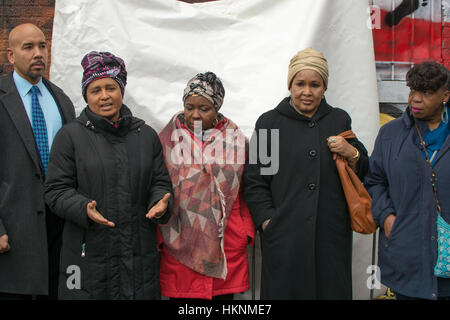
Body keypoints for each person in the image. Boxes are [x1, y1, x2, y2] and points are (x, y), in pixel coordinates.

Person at [44, 51, 173, 299]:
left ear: (121, 90)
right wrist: (83, 208)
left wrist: (159, 202)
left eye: (110, 88)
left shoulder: (145, 136)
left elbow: (159, 182)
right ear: (86, 95)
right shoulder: (70, 136)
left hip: (138, 255)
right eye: (95, 90)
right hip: (87, 253)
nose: (104, 96)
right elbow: (55, 190)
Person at [243, 47, 369, 299]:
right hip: (285, 239)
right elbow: (256, 182)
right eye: (300, 84)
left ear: (325, 87)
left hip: (330, 238)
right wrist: (269, 222)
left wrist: (351, 153)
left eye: (315, 85)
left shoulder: (339, 120)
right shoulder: (269, 124)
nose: (307, 92)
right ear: (290, 85)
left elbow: (363, 170)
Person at [157, 71, 255, 300]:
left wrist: (245, 232)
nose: (195, 115)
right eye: (189, 107)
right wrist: (162, 237)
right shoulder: (166, 140)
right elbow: (157, 187)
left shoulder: (237, 140)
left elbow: (247, 190)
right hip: (179, 244)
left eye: (204, 108)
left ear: (217, 107)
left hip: (226, 244)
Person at [0, 23, 75, 300]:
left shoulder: (61, 100)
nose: (38, 53)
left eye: (42, 46)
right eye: (28, 47)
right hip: (12, 229)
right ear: (10, 55)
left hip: (57, 229)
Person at [365, 61, 450, 300]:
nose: (416, 99)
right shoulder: (391, 134)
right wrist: (388, 218)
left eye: (427, 92)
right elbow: (374, 180)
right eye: (413, 90)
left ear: (445, 95)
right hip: (407, 261)